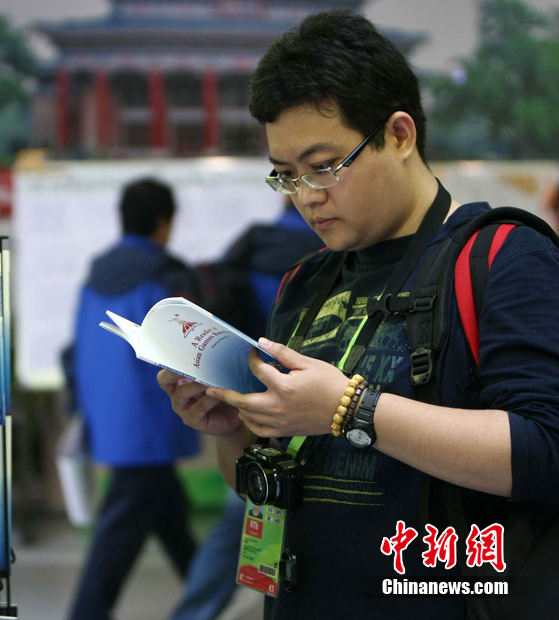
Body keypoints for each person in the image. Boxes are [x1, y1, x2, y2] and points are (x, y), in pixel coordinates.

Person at [158, 9, 559, 620]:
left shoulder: (502, 257)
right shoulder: (305, 281)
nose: (307, 196)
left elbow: (545, 450)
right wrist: (235, 429)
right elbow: (264, 488)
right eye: (286, 176)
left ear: (399, 135)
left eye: (324, 166)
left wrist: (350, 409)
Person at [170, 200, 321, 620]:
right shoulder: (325, 259)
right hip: (309, 415)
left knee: (244, 517)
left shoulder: (249, 246)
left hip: (244, 407)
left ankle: (194, 613)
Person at [67, 178, 200, 620]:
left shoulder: (96, 275)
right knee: (117, 534)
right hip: (150, 420)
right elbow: (184, 351)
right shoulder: (165, 275)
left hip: (109, 416)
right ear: (163, 223)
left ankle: (209, 600)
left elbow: (78, 350)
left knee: (170, 518)